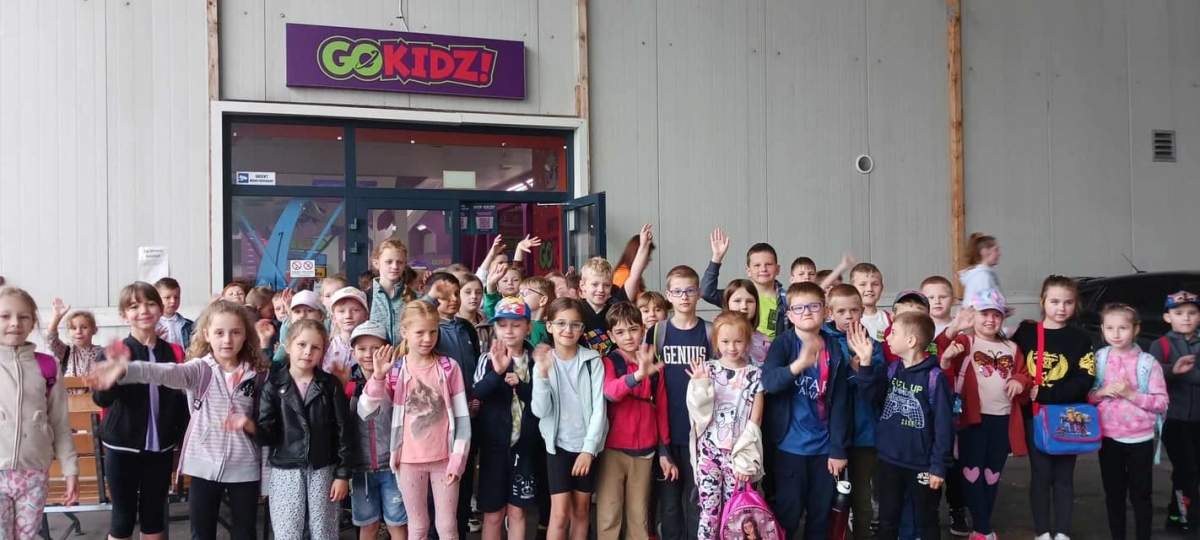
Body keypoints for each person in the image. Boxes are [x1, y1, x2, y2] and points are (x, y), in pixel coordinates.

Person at [88, 300, 272, 540]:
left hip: (245, 469)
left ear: (245, 335)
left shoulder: (259, 375)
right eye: (219, 332)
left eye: (235, 332)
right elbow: (164, 372)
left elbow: (267, 429)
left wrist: (263, 471)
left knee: (245, 533)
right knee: (201, 534)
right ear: (206, 334)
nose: (227, 340)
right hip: (203, 468)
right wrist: (126, 370)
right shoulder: (199, 370)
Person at [362, 302, 472, 540]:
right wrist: (378, 377)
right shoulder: (395, 370)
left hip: (445, 460)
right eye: (420, 332)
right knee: (418, 527)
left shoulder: (449, 368)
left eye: (433, 331)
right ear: (404, 332)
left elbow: (463, 420)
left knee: (447, 527)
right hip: (409, 461)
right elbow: (366, 411)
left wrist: (458, 460)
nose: (427, 339)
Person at [92, 282, 189, 540]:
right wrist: (112, 375)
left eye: (150, 303)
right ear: (124, 315)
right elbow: (101, 399)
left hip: (160, 448)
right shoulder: (114, 352)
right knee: (122, 517)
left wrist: (182, 443)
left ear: (160, 309)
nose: (143, 310)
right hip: (122, 447)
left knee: (154, 517)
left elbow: (181, 402)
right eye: (134, 306)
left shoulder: (173, 352)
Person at [938, 289, 1031, 540]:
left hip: (1003, 420)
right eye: (984, 314)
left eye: (996, 315)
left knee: (992, 475)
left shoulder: (1012, 347)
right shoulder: (966, 341)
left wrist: (1020, 381)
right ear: (974, 316)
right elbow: (939, 348)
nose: (990, 320)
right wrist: (954, 330)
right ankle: (984, 530)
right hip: (972, 420)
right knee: (972, 473)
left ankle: (981, 526)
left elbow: (1024, 375)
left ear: (1003, 318)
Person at [762, 282, 852, 539]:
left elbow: (841, 402)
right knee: (788, 514)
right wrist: (799, 364)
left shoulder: (834, 348)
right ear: (789, 315)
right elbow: (769, 383)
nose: (807, 312)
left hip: (824, 450)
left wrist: (838, 449)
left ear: (825, 311)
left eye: (814, 306)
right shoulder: (783, 344)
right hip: (789, 448)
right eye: (799, 308)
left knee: (820, 516)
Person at [852, 312, 953, 540]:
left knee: (926, 519)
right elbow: (871, 396)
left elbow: (944, 427)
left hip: (922, 465)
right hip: (889, 460)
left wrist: (938, 466)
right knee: (887, 520)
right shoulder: (892, 369)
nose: (887, 337)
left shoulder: (935, 378)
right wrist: (865, 364)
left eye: (893, 333)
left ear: (911, 341)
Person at [1010, 275, 1095, 540]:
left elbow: (1085, 379)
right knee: (1041, 475)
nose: (1061, 308)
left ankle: (1063, 532)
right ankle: (1043, 532)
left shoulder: (1080, 339)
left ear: (1075, 304)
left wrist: (1047, 393)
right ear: (1042, 302)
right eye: (1055, 301)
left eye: (1068, 302)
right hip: (1033, 416)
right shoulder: (1026, 333)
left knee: (1064, 478)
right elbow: (1012, 363)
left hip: (1067, 416)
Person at [257, 319, 351, 540]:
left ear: (323, 352)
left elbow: (343, 432)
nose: (308, 352)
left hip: (323, 467)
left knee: (324, 530)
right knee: (287, 530)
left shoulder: (330, 385)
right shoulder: (273, 386)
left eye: (315, 347)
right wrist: (251, 428)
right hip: (286, 469)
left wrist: (342, 475)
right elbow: (268, 433)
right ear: (288, 346)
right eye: (301, 344)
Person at [0, 287, 79, 539]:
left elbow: (60, 423)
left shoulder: (47, 366)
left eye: (23, 317)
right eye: (5, 316)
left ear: (33, 322)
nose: (15, 323)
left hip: (34, 476)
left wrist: (70, 470)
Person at [1088, 303, 1168, 540]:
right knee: (1114, 495)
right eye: (1109, 328)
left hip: (1139, 439)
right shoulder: (1099, 359)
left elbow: (1161, 402)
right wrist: (1101, 393)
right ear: (1102, 329)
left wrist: (1131, 395)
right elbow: (1089, 396)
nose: (1115, 334)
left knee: (1141, 496)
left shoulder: (1147, 363)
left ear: (1136, 329)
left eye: (1122, 328)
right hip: (1108, 438)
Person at [531, 298, 608, 540]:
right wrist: (542, 376)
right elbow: (540, 411)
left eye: (575, 324)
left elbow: (599, 409)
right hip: (557, 448)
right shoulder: (543, 362)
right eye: (561, 323)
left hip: (585, 446)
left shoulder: (592, 361)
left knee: (581, 512)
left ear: (582, 329)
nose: (568, 330)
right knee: (559, 514)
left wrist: (588, 450)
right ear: (549, 326)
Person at [687, 311, 765, 540]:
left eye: (738, 341)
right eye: (725, 341)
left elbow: (756, 420)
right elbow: (697, 413)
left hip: (739, 455)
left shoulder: (755, 375)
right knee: (708, 513)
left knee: (737, 515)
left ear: (747, 341)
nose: (732, 347)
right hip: (708, 454)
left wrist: (746, 459)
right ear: (716, 342)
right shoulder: (707, 370)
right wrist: (700, 383)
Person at [649, 265, 714, 540]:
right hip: (666, 431)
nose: (684, 296)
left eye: (690, 290)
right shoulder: (657, 332)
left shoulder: (710, 332)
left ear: (698, 293)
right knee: (670, 504)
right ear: (668, 295)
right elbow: (649, 385)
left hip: (699, 433)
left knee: (697, 500)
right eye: (677, 291)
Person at [596, 302, 670, 540]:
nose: (628, 337)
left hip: (645, 450)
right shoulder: (610, 362)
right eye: (620, 332)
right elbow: (610, 392)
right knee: (609, 512)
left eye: (633, 329)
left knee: (639, 515)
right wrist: (638, 375)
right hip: (612, 449)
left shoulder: (654, 365)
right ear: (611, 336)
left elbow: (662, 410)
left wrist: (664, 450)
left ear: (642, 329)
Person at [473, 297, 545, 540]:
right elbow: (478, 393)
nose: (509, 331)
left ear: (528, 327)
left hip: (525, 449)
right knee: (493, 515)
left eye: (516, 325)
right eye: (502, 325)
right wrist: (498, 372)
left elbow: (543, 402)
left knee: (517, 512)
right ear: (494, 328)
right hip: (493, 449)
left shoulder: (536, 359)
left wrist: (521, 386)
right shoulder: (487, 358)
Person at [822, 284, 884, 540]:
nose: (849, 316)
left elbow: (876, 391)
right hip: (828, 436)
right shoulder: (822, 341)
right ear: (830, 312)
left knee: (862, 500)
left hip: (864, 434)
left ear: (862, 311)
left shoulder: (873, 346)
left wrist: (862, 364)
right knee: (829, 499)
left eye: (854, 310)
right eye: (842, 311)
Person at [347, 321, 409, 540]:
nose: (368, 354)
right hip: (360, 467)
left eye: (376, 348)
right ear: (352, 352)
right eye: (362, 348)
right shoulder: (347, 384)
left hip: (392, 465)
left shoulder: (396, 380)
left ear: (388, 350)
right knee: (369, 525)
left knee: (397, 523)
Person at [1149, 290, 1200, 535]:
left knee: (1192, 470)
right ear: (1167, 317)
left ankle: (1174, 514)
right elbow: (1151, 376)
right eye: (1179, 313)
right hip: (1174, 420)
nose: (1186, 318)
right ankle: (1189, 520)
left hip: (1198, 419)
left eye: (1192, 313)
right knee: (1186, 470)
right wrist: (1173, 371)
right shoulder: (1160, 345)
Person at [578, 226, 652, 357]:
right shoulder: (576, 311)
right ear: (582, 286)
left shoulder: (616, 305)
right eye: (595, 284)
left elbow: (635, 276)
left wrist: (643, 245)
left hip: (615, 365)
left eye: (606, 285)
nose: (601, 290)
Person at [701, 229, 786, 340]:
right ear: (748, 270)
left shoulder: (786, 299)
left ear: (777, 269)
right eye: (757, 265)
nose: (763, 269)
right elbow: (706, 292)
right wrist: (717, 257)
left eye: (768, 264)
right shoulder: (737, 296)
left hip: (773, 349)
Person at [46, 298, 103, 384]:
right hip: (68, 392)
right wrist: (57, 317)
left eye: (84, 327)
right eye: (74, 328)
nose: (78, 331)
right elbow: (51, 339)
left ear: (94, 330)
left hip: (94, 392)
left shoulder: (102, 353)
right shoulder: (66, 351)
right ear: (68, 331)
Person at [369, 238, 413, 343]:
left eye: (400, 262)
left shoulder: (415, 297)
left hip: (406, 352)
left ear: (405, 265)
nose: (395, 266)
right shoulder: (365, 298)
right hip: (375, 353)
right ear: (376, 263)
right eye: (389, 262)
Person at [721, 280, 771, 367]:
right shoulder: (718, 336)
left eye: (750, 301)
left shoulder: (764, 340)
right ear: (727, 303)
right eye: (737, 301)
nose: (744, 306)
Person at [324, 287, 370, 379]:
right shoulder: (328, 347)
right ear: (333, 318)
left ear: (366, 315)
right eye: (341, 311)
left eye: (355, 310)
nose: (348, 316)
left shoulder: (371, 345)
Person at [958, 233, 1004, 309]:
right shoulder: (982, 277)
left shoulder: (983, 275)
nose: (999, 253)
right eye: (996, 250)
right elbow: (984, 307)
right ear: (984, 252)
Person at [850, 263, 889, 341]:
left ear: (882, 288)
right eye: (862, 284)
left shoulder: (889, 318)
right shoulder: (847, 318)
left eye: (875, 284)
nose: (869, 289)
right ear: (852, 288)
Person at [155, 277, 195, 348]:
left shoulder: (188, 325)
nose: (173, 301)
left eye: (176, 297)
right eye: (167, 297)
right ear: (157, 299)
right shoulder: (151, 325)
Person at [520, 276, 557, 346]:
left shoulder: (537, 328)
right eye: (519, 294)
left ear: (543, 300)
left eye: (525, 293)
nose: (519, 297)